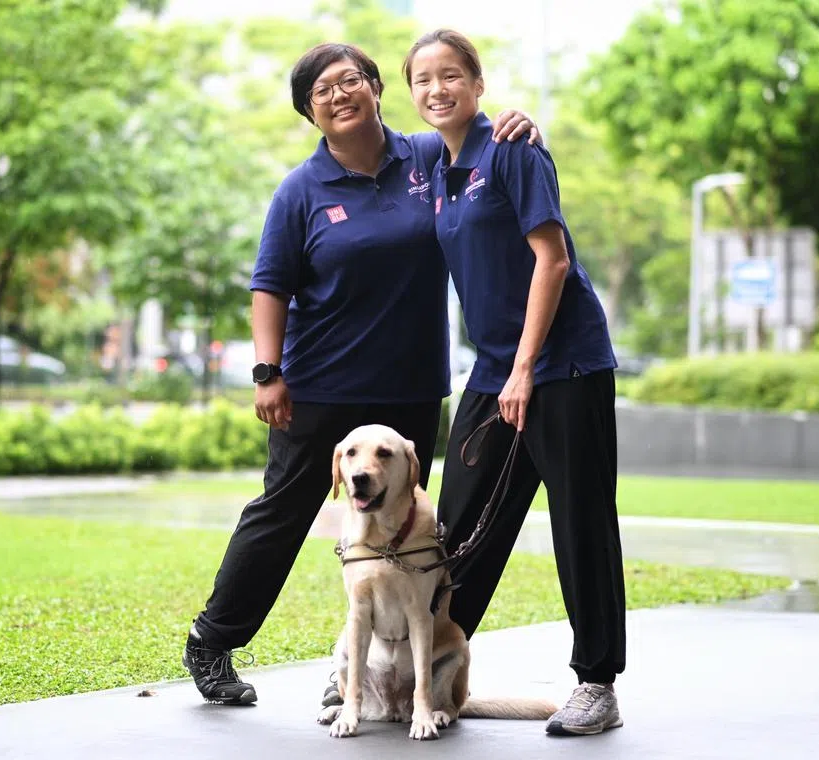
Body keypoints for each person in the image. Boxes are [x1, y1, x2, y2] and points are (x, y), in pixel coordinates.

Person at [182, 41, 541, 707]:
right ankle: (212, 640)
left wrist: (522, 128)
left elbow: (488, 155)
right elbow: (270, 286)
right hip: (318, 388)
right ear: (310, 113)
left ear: (377, 89)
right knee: (281, 516)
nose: (340, 95)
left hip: (409, 392)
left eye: (352, 81)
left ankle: (359, 668)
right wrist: (268, 372)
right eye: (323, 91)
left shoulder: (429, 157)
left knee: (398, 540)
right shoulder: (301, 190)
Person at [403, 29, 627, 736]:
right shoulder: (436, 166)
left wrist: (526, 368)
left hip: (564, 365)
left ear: (477, 82)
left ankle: (597, 683)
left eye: (450, 76)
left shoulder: (514, 148)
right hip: (495, 367)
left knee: (580, 521)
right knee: (457, 526)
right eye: (423, 80)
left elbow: (552, 260)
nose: (436, 89)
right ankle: (425, 674)